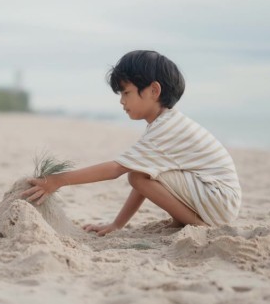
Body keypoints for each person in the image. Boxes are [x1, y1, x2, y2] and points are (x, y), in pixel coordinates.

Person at [23, 50, 241, 235]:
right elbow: (143, 175)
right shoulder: (165, 124)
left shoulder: (167, 128)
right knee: (140, 172)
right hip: (216, 199)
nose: (121, 100)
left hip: (219, 198)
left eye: (126, 92)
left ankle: (198, 225)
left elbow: (117, 169)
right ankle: (185, 219)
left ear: (154, 91)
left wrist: (58, 180)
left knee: (136, 175)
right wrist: (117, 224)